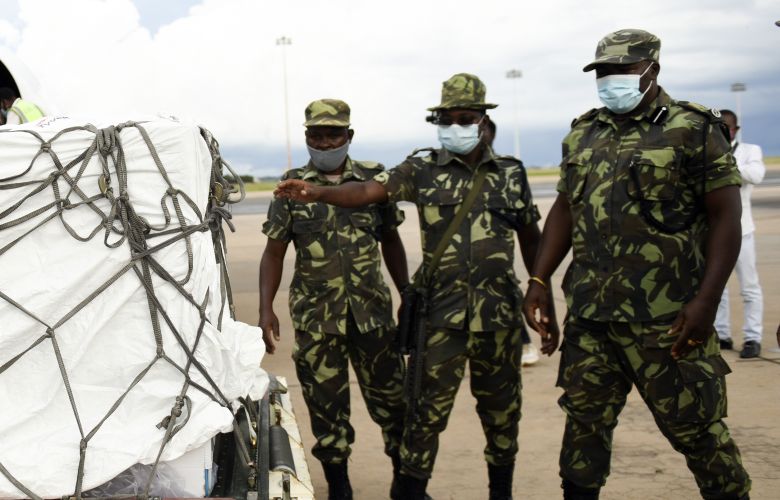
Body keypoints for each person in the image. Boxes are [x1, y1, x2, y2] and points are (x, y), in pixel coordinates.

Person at [275, 73, 557, 500]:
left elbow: (532, 238)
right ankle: (407, 492)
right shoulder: (421, 170)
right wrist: (318, 193)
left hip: (498, 316)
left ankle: (501, 493)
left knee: (503, 416)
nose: (456, 126)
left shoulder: (510, 174)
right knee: (424, 416)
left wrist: (541, 289)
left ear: (483, 121)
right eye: (447, 118)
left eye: (466, 118)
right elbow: (365, 192)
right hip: (441, 317)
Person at [523, 29, 751, 499]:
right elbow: (565, 208)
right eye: (603, 72)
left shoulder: (692, 127)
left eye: (622, 70)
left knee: (700, 433)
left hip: (668, 318)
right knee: (583, 432)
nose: (611, 80)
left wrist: (707, 300)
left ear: (652, 69)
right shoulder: (583, 132)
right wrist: (538, 278)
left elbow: (725, 216)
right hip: (591, 316)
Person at [259, 99, 409, 500]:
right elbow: (274, 252)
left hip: (373, 317)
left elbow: (391, 239)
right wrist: (265, 308)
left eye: (334, 135)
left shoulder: (373, 180)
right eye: (317, 135)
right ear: (307, 137)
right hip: (317, 320)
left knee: (394, 403)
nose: (325, 143)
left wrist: (406, 293)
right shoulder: (291, 185)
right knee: (326, 409)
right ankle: (340, 487)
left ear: (349, 135)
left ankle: (405, 482)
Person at [482, 116, 540, 366]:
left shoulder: (508, 172)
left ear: (491, 134)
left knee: (507, 302)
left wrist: (540, 283)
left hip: (499, 273)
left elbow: (530, 235)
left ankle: (525, 344)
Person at [714, 109, 765, 359]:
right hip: (714, 234)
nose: (724, 132)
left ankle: (753, 337)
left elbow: (756, 175)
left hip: (743, 231)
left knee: (749, 287)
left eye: (728, 128)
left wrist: (724, 162)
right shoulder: (707, 152)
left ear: (736, 130)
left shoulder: (750, 151)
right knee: (717, 288)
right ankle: (722, 335)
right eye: (719, 128)